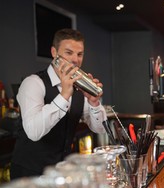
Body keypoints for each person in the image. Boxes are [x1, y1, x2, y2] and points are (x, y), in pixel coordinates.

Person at [10, 28, 107, 179]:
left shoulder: (80, 87)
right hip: (30, 175)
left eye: (79, 54)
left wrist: (94, 103)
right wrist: (64, 96)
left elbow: (100, 128)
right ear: (54, 52)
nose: (75, 59)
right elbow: (33, 132)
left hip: (62, 174)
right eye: (69, 52)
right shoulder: (33, 83)